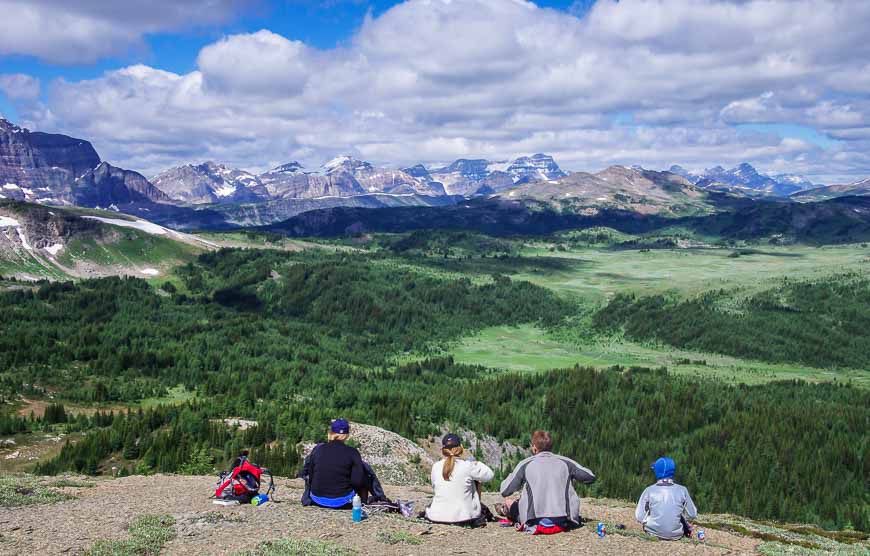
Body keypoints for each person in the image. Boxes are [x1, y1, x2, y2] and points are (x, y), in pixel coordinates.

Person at [498, 430, 595, 532]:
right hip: (565, 520)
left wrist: (511, 475)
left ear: (534, 448)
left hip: (534, 521)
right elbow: (590, 476)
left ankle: (505, 510)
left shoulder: (525, 464)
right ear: (551, 447)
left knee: (509, 502)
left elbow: (505, 490)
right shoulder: (566, 462)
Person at [424, 433, 495, 526]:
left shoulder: (435, 466)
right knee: (477, 479)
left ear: (443, 450)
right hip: (464, 517)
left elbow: (434, 486)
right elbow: (490, 475)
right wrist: (476, 463)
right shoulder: (467, 466)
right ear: (461, 448)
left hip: (435, 516)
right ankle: (474, 508)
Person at [300, 418, 369, 509]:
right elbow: (357, 482)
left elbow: (311, 476)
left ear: (331, 432)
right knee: (365, 472)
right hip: (343, 502)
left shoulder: (318, 450)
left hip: (317, 499)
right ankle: (364, 503)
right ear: (346, 435)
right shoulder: (353, 452)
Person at [635, 457, 698, 540]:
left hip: (652, 533)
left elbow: (639, 517)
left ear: (657, 472)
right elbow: (692, 514)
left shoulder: (649, 490)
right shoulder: (682, 490)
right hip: (676, 535)